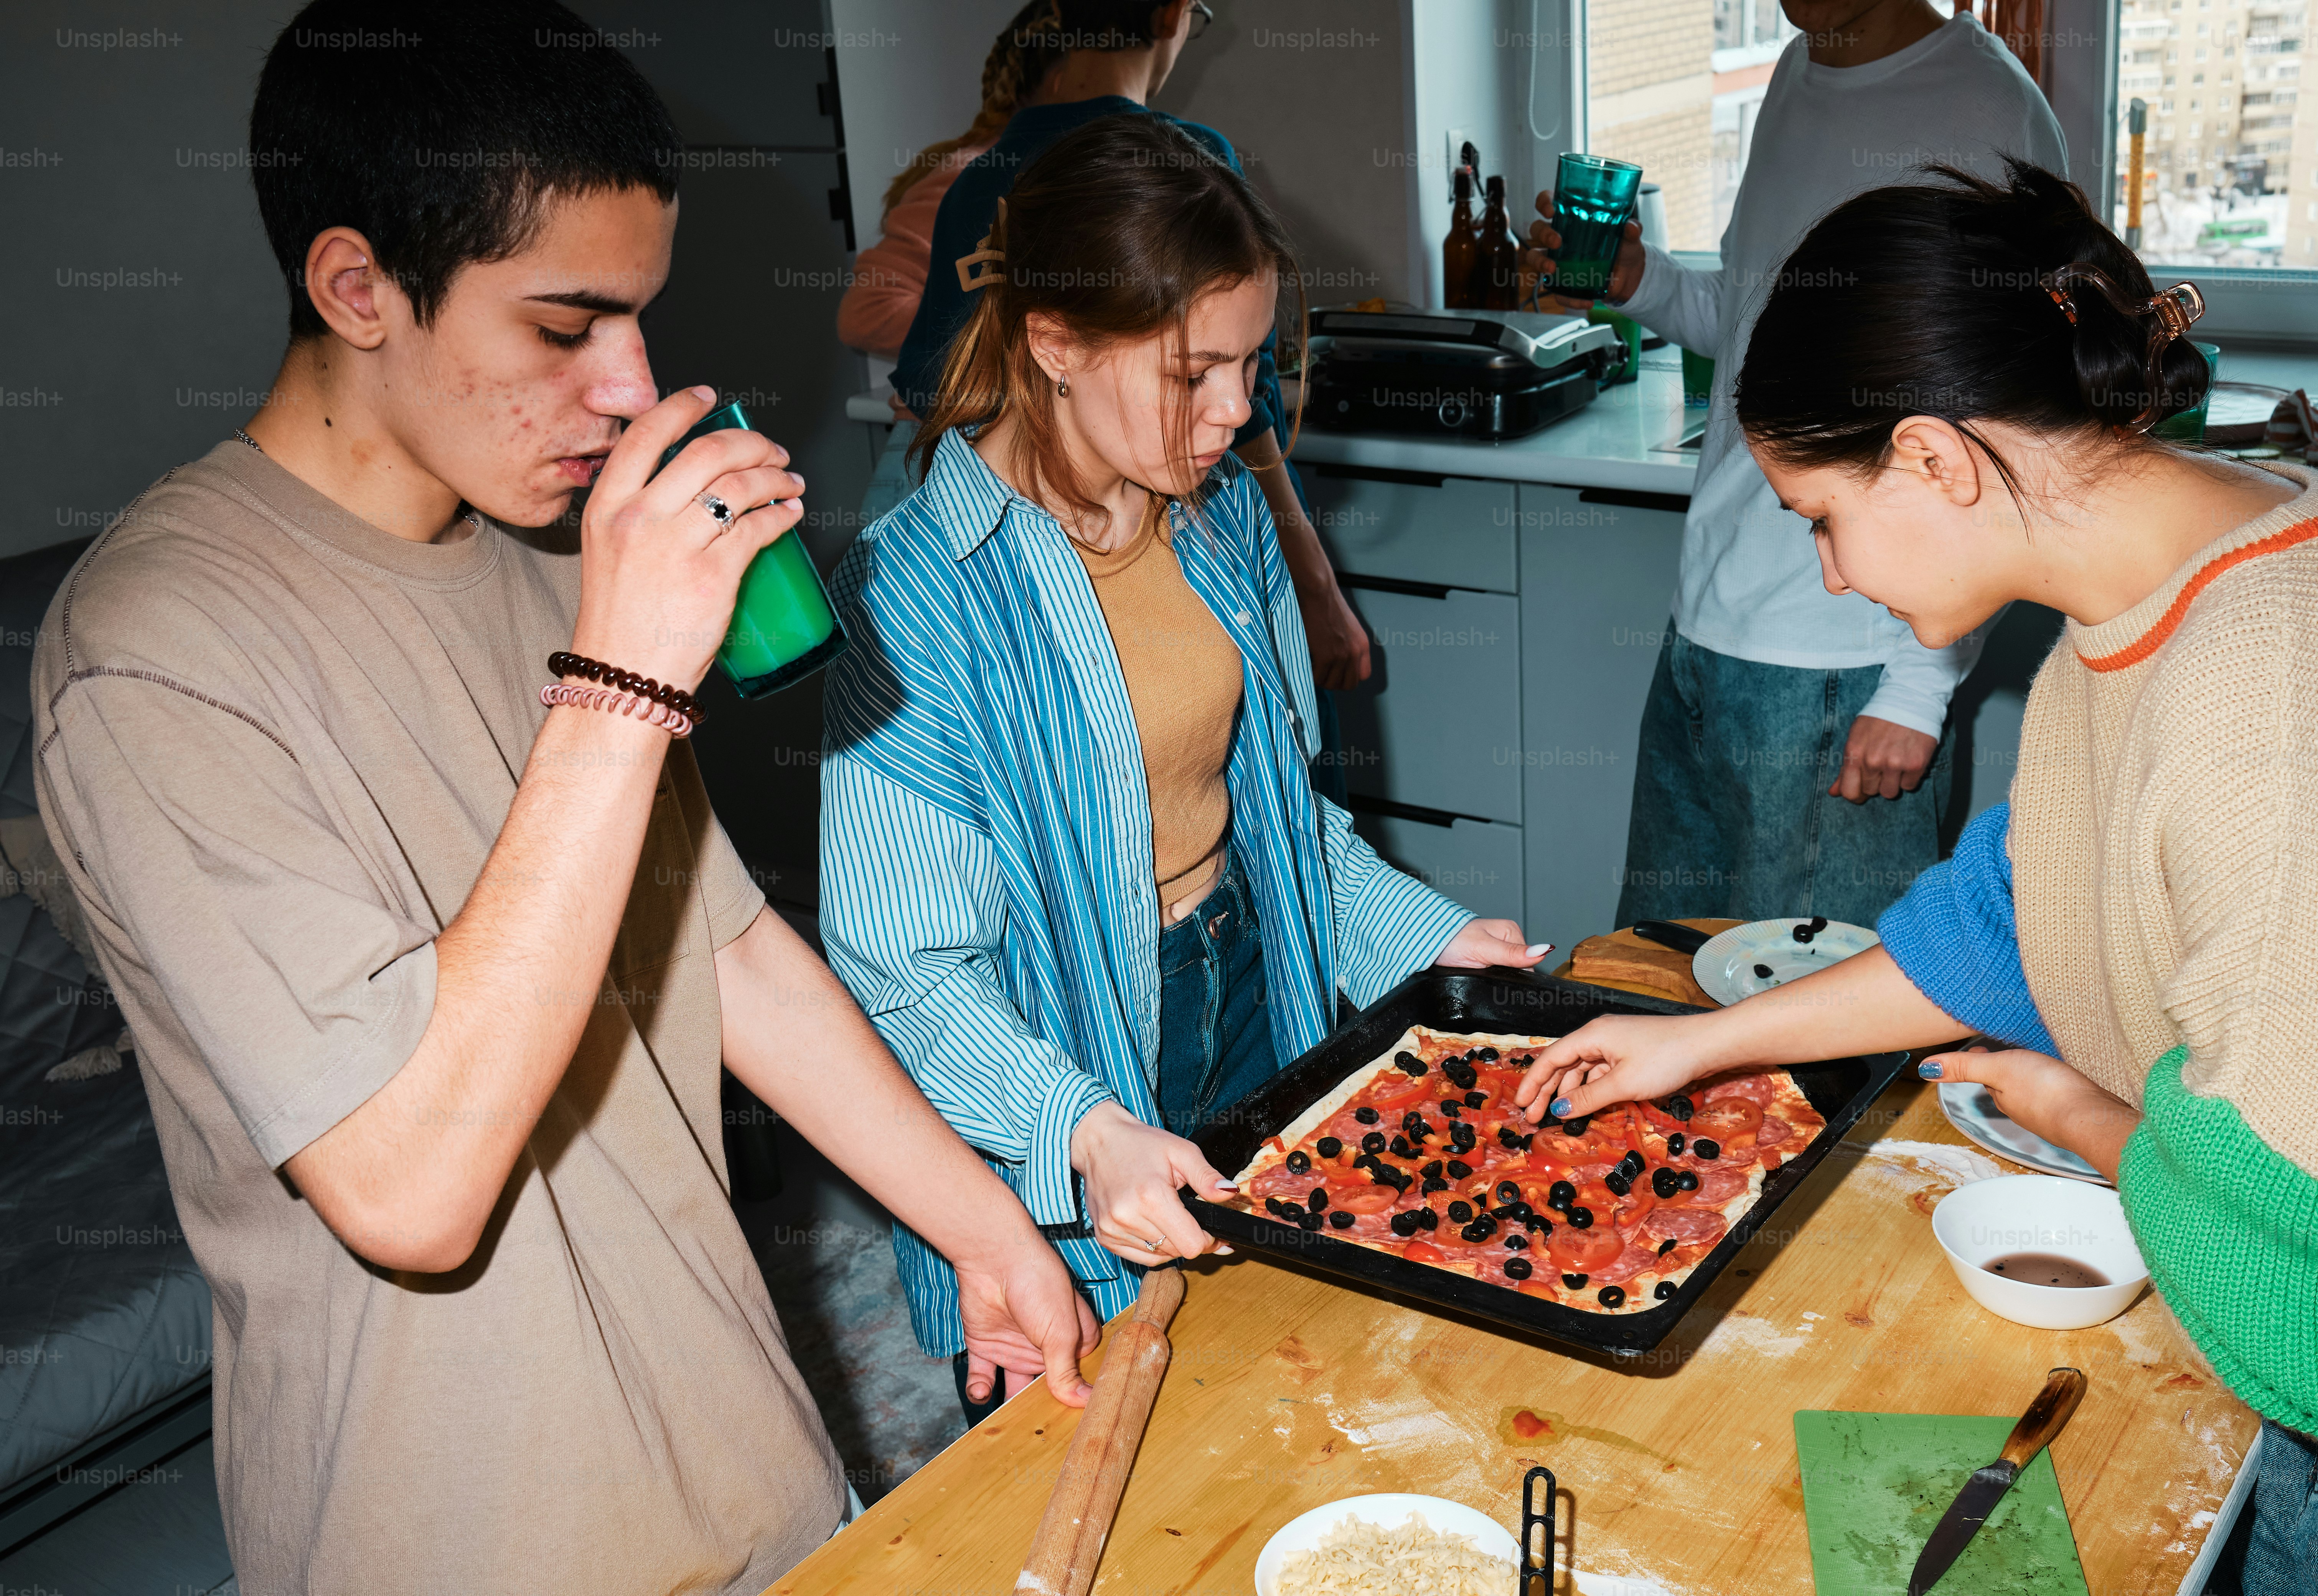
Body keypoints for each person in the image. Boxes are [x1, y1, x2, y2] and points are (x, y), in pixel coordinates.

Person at [27, 5, 1095, 1591]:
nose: (628, 388)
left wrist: (978, 1219)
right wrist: (622, 681)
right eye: (565, 326)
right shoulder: (154, 652)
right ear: (356, 286)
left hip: (745, 1460)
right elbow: (409, 1190)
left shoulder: (541, 566)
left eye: (640, 324)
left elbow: (725, 954)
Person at [1516, 162, 2318, 1592]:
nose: (1834, 576)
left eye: (1820, 516)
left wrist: (2084, 1112)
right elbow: (2011, 917)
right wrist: (1703, 1042)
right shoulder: (2193, 555)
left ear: (1935, 460)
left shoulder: (2266, 714)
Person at [820, 115, 1547, 1428]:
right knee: (1089, 1421)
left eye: (1252, 366)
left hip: (1251, 980)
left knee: (1278, 1387)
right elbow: (904, 974)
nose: (1236, 414)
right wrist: (1085, 1131)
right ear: (1054, 342)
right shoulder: (914, 593)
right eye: (1195, 371)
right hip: (1053, 1053)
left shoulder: (1218, 526)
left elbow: (1284, 824)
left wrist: (1440, 945)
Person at [1520, 0, 2064, 928]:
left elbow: (2006, 423)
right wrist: (1641, 284)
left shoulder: (1990, 112)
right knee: (1662, 983)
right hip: (1704, 632)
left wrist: (1919, 686)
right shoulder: (1792, 76)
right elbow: (1749, 330)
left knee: (1825, 1037)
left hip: (1845, 668)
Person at [890, 0, 1374, 704]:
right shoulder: (1191, 161)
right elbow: (1257, 414)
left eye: (1236, 366)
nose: (1231, 408)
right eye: (1193, 373)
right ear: (1174, 13)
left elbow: (932, 396)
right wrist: (1318, 587)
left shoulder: (972, 187)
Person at [839, 2, 1061, 525]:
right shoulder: (974, 176)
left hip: (983, 456)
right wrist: (1005, 345)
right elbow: (866, 310)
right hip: (936, 458)